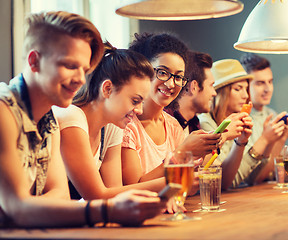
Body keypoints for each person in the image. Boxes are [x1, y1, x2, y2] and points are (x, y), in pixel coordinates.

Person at [0, 11, 165, 228]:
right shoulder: (4, 111)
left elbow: (59, 195)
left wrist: (30, 208)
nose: (79, 79)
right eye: (69, 65)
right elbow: (18, 209)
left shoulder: (49, 118)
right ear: (34, 61)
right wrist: (107, 210)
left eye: (84, 69)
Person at [53, 42, 167, 201]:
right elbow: (96, 195)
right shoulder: (71, 116)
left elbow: (114, 193)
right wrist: (173, 182)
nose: (139, 110)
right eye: (135, 101)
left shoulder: (112, 126)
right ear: (107, 89)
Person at [121, 33, 221, 187]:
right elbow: (132, 188)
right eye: (162, 72)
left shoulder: (173, 125)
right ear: (142, 69)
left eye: (178, 77)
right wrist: (180, 153)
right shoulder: (126, 125)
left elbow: (187, 188)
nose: (171, 84)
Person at [238, 53, 288, 185]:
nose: (268, 89)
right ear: (245, 85)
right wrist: (283, 137)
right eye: (260, 83)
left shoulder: (272, 114)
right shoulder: (241, 119)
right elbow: (253, 178)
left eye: (270, 82)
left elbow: (276, 168)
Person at [198, 59, 264, 189]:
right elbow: (226, 182)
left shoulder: (240, 122)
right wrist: (266, 140)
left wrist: (241, 141)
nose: (245, 95)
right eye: (238, 89)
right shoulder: (205, 123)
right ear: (220, 92)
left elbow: (252, 177)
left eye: (246, 89)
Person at [165, 51, 217, 137]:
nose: (214, 93)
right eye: (211, 85)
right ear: (194, 87)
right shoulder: (165, 122)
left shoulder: (194, 124)